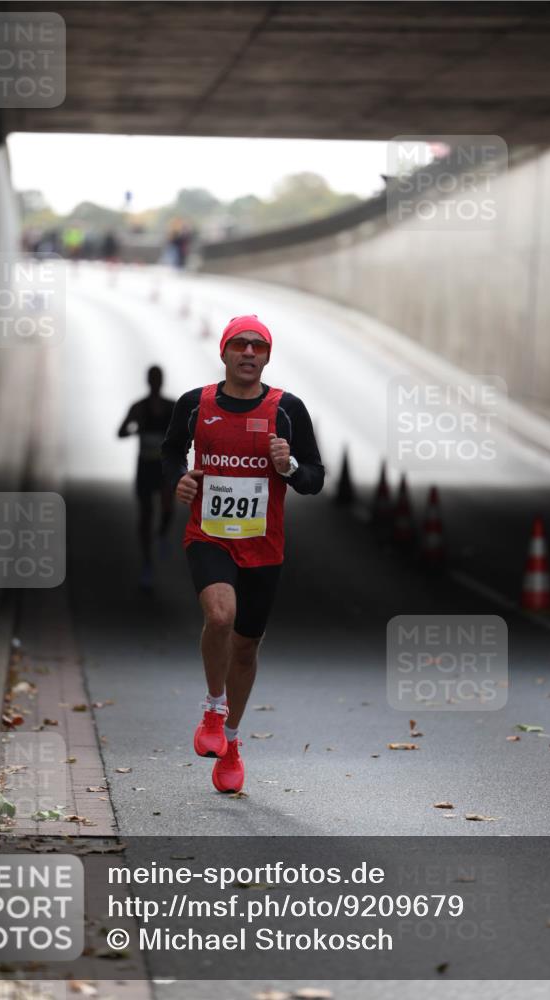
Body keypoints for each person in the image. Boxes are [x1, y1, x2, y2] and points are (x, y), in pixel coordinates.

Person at [162, 315, 324, 792]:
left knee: (247, 646)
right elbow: (171, 452)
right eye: (240, 344)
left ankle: (230, 742)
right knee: (219, 616)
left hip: (264, 546)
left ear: (268, 356)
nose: (249, 352)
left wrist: (288, 464)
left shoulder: (287, 409)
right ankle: (214, 710)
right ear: (224, 352)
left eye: (258, 346)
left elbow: (314, 478)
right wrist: (179, 479)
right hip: (209, 536)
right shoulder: (196, 404)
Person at [118, 366, 176, 589]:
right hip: (145, 466)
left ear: (161, 381)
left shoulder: (172, 408)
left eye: (157, 379)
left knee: (168, 507)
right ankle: (147, 563)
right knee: (146, 514)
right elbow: (121, 431)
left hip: (163, 467)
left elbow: (185, 431)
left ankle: (161, 534)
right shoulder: (139, 407)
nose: (155, 382)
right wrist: (137, 430)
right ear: (148, 381)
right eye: (153, 379)